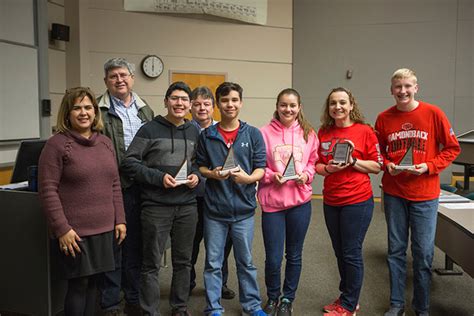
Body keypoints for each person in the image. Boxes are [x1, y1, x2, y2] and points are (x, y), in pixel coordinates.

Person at [375, 69, 460, 316]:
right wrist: (386, 163)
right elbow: (377, 152)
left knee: (423, 254)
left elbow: (452, 148)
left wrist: (429, 166)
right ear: (391, 90)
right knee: (396, 251)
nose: (402, 91)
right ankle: (396, 304)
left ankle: (421, 308)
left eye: (407, 86)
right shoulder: (383, 118)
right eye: (398, 87)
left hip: (425, 194)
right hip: (394, 193)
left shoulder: (434, 113)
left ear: (416, 87)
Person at [38, 87, 126, 315]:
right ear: (67, 113)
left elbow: (115, 184)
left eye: (88, 107)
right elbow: (48, 190)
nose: (83, 112)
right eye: (77, 108)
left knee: (97, 283)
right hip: (75, 233)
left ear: (95, 112)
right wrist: (62, 229)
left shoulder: (105, 143)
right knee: (79, 285)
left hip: (105, 229)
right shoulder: (57, 145)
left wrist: (120, 220)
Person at [122, 81, 200, 316]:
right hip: (156, 206)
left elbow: (199, 163)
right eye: (174, 98)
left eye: (184, 99)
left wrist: (196, 176)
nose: (179, 103)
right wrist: (157, 177)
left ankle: (179, 307)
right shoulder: (149, 129)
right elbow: (129, 162)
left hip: (187, 206)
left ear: (189, 105)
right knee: (151, 263)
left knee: (184, 261)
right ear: (166, 102)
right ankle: (149, 311)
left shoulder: (194, 130)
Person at [196, 82, 267, 316]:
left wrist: (248, 179)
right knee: (213, 263)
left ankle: (252, 306)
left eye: (234, 100)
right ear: (218, 104)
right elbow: (200, 166)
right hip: (215, 211)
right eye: (225, 100)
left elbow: (261, 169)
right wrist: (212, 174)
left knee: (246, 263)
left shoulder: (253, 134)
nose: (230, 104)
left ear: (241, 102)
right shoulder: (207, 135)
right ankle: (213, 307)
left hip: (244, 211)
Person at [315, 87, 382, 316]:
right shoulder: (323, 132)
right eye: (333, 103)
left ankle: (349, 304)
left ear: (351, 105)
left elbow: (376, 166)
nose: (338, 107)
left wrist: (354, 161)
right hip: (331, 200)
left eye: (342, 102)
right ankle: (347, 296)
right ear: (329, 107)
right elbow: (317, 165)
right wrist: (329, 168)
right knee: (339, 251)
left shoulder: (365, 131)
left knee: (351, 251)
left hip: (357, 201)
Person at [98, 57, 154, 315]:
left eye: (123, 75)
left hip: (141, 186)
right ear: (106, 81)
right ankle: (110, 302)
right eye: (113, 76)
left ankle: (132, 297)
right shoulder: (98, 111)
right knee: (113, 245)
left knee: (136, 245)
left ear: (132, 78)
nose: (119, 80)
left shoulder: (146, 110)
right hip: (112, 187)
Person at [257, 88, 319, 316]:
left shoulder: (308, 133)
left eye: (292, 105)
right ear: (277, 106)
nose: (288, 109)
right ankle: (273, 296)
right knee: (273, 258)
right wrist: (271, 176)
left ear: (299, 107)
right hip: (273, 204)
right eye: (283, 105)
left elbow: (313, 162)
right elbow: (258, 166)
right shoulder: (263, 133)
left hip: (300, 203)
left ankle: (287, 298)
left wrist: (307, 175)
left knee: (294, 254)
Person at [189, 86, 236, 300]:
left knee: (221, 245)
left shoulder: (221, 130)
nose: (202, 108)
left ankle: (220, 283)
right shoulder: (185, 129)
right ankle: (187, 282)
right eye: (197, 104)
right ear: (191, 106)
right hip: (192, 197)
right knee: (191, 242)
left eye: (206, 104)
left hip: (219, 196)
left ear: (213, 107)